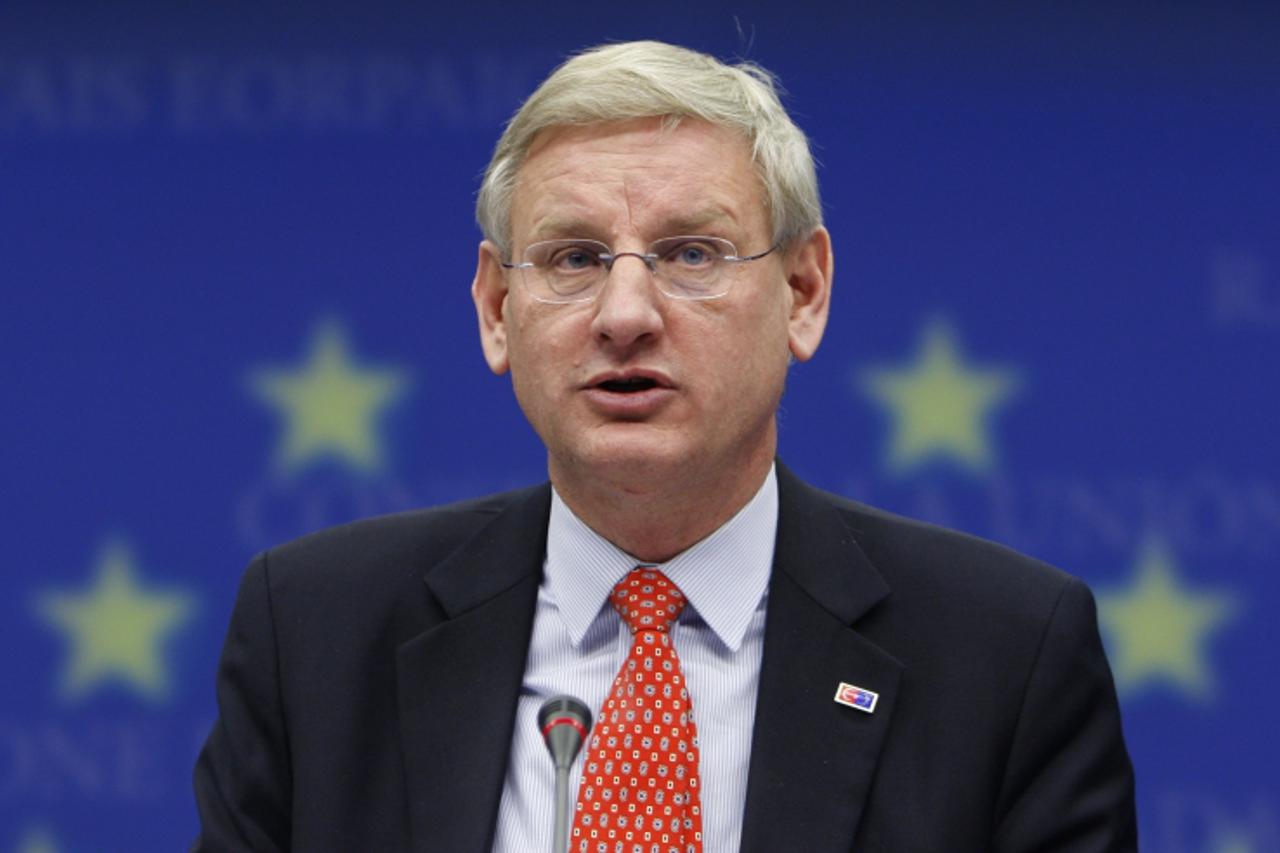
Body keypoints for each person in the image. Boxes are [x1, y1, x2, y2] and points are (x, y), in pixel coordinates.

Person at [193, 40, 1137, 852]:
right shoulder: (315, 634)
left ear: (803, 291)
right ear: (494, 309)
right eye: (574, 258)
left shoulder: (1005, 657)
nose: (626, 315)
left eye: (692, 253)